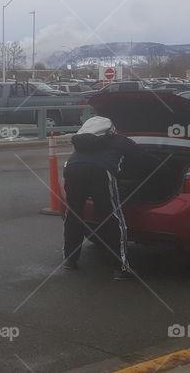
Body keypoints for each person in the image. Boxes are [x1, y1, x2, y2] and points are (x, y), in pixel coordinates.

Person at [62, 116, 147, 280]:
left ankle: (70, 259)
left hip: (72, 170)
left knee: (73, 215)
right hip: (101, 173)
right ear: (110, 130)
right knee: (112, 218)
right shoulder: (119, 141)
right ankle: (120, 268)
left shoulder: (82, 143)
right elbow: (141, 159)